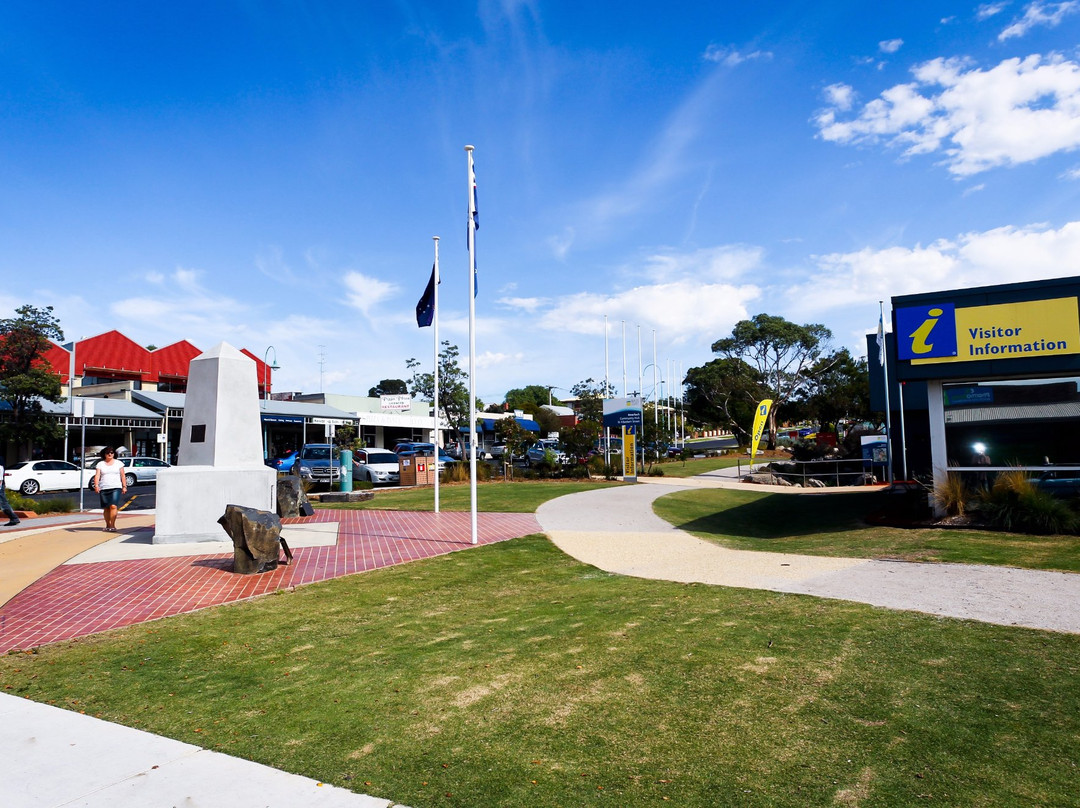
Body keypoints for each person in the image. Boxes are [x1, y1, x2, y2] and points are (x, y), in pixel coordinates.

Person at [92, 446, 127, 532]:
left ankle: (113, 525)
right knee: (106, 508)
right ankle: (108, 524)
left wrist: (124, 486)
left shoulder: (119, 463)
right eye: (108, 453)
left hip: (116, 487)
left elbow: (123, 475)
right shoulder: (100, 464)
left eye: (112, 452)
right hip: (104, 487)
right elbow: (97, 475)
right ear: (104, 454)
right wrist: (96, 486)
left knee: (113, 506)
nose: (110, 454)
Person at [0, 456, 21, 527]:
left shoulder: (0, 467)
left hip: (0, 488)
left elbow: (0, 480)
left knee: (3, 504)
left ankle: (14, 518)